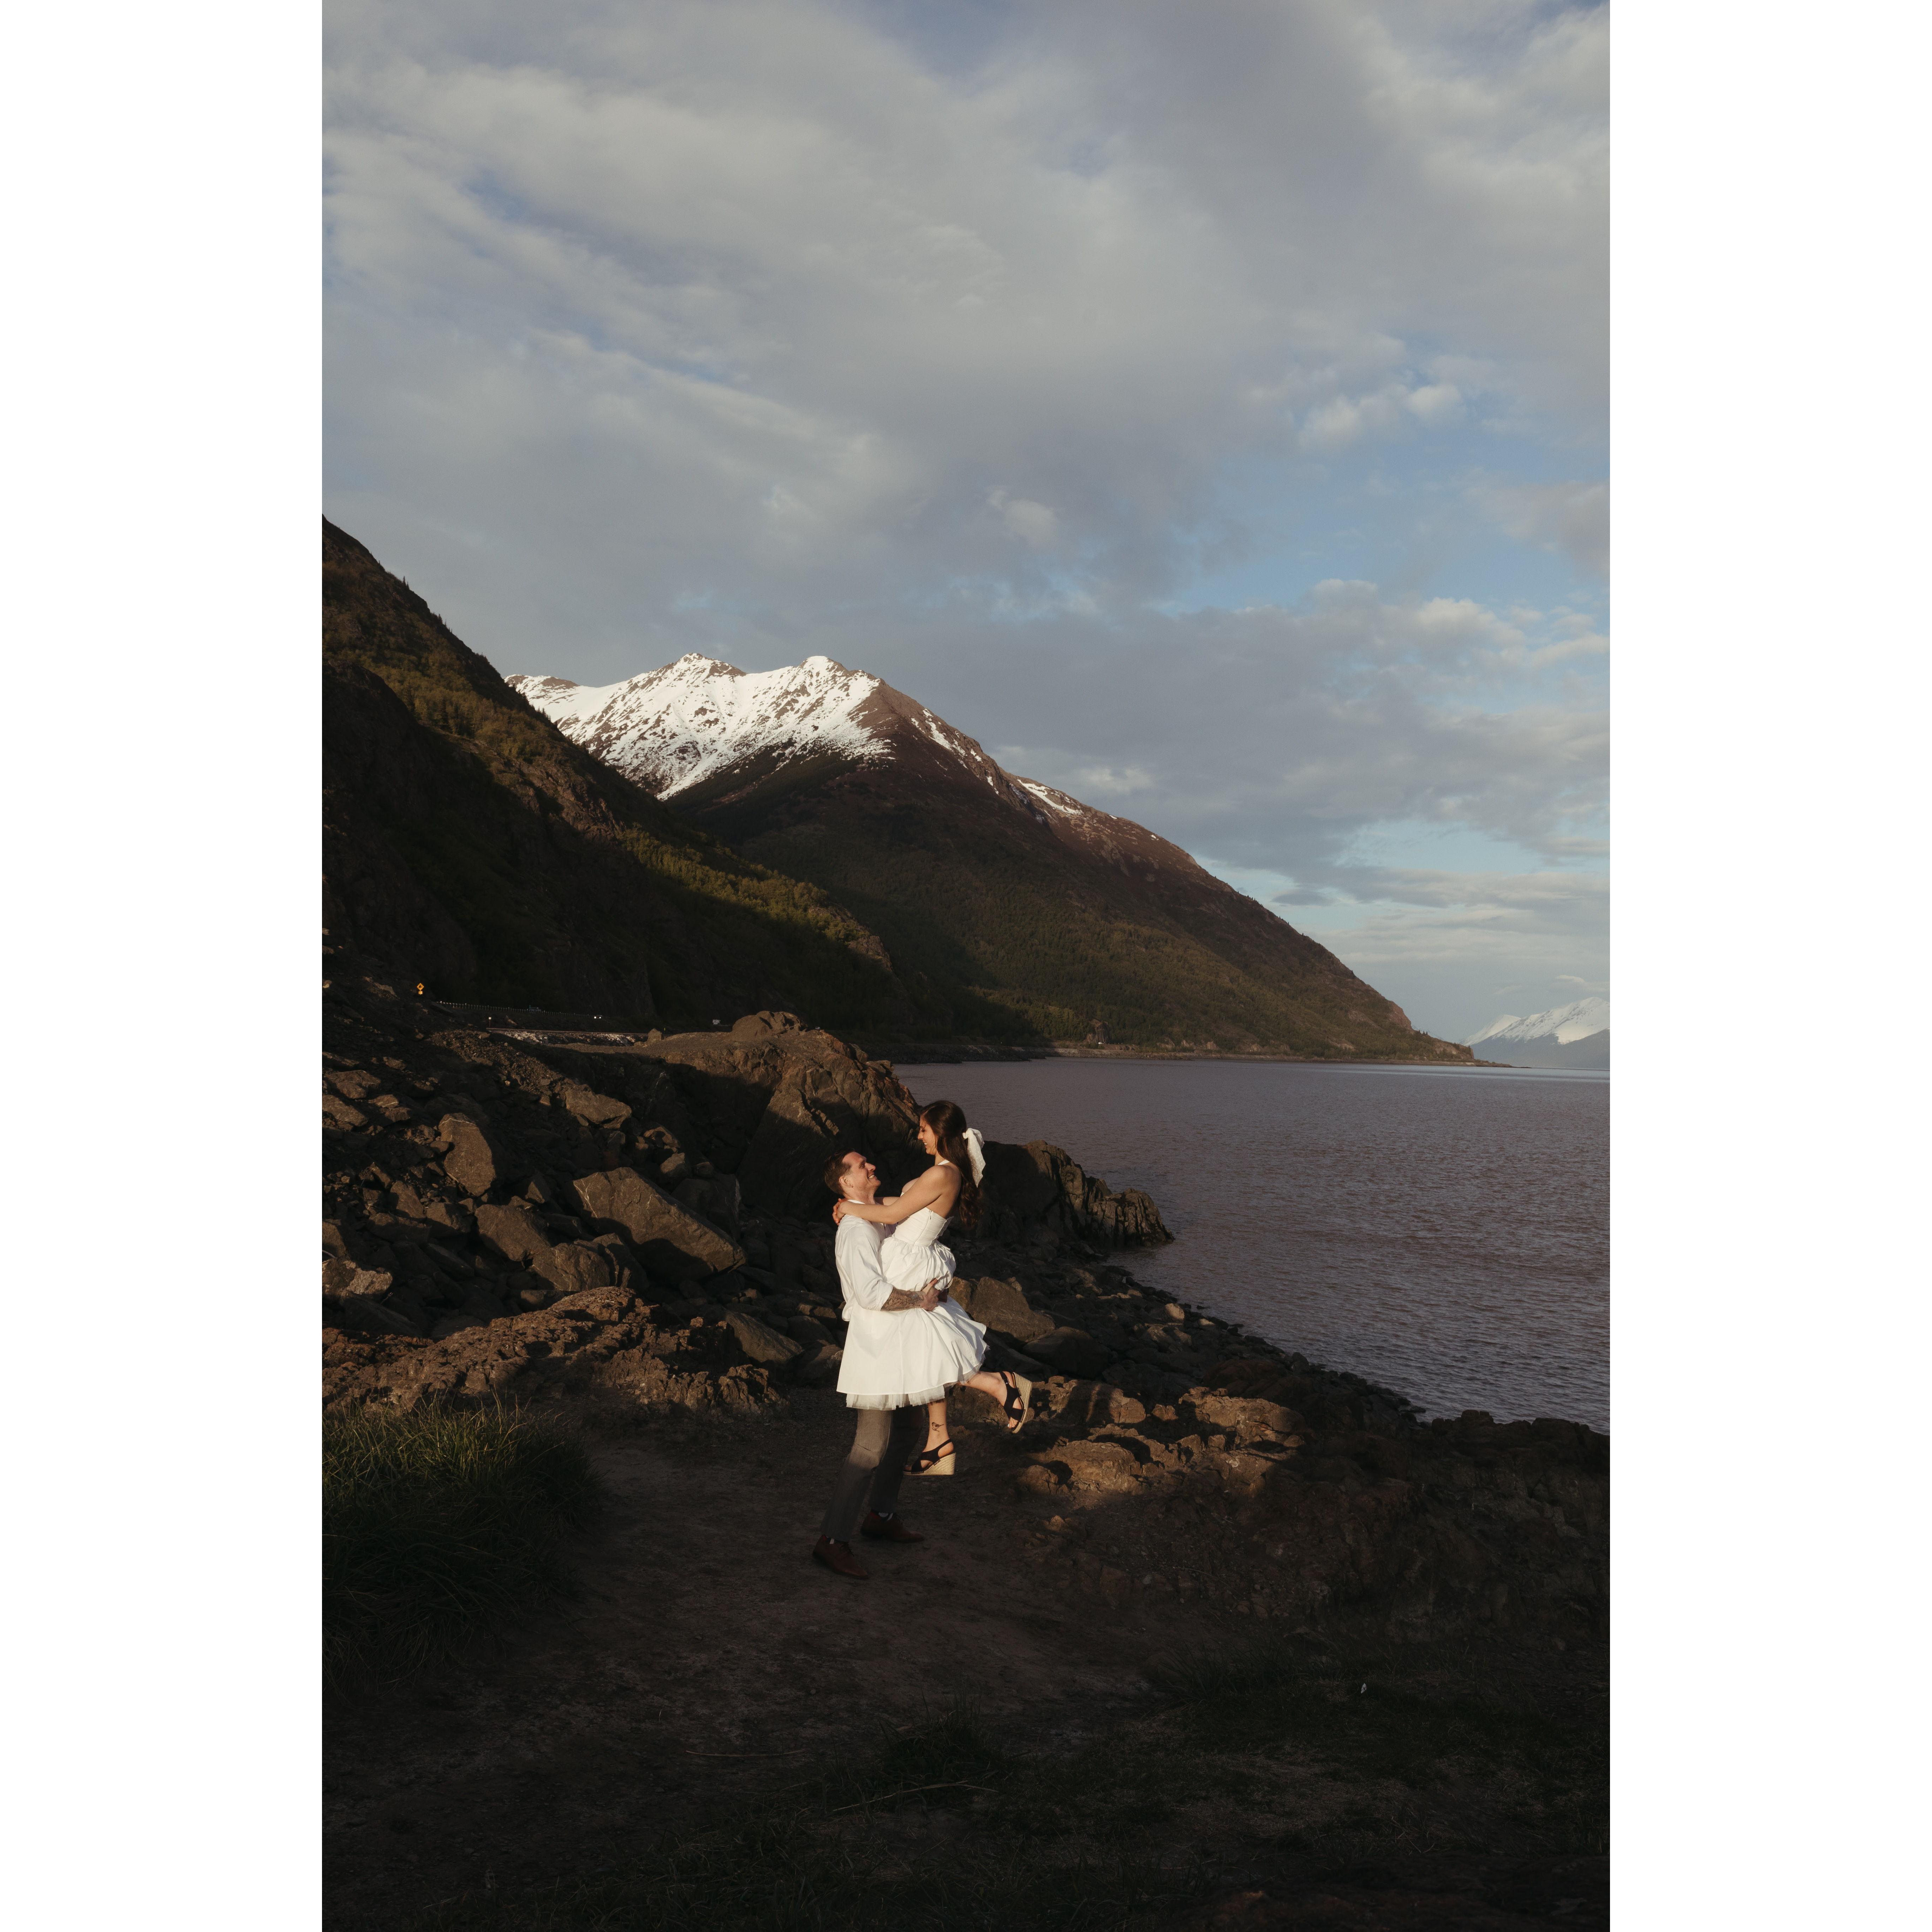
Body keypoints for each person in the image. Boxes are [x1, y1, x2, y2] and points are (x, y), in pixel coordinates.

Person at [831, 1099, 1032, 1476]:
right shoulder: (942, 1172)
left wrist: (850, 1209)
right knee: (925, 1346)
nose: (919, 1136)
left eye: (923, 1130)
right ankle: (939, 1438)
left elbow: (893, 1215)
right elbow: (903, 1204)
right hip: (911, 1255)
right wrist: (852, 1203)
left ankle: (997, 1385)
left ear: (940, 1133)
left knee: (928, 1344)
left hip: (909, 1260)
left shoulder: (943, 1174)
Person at [811, 1149, 947, 1580]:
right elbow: (870, 1293)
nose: (871, 1167)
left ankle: (881, 1516)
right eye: (861, 1166)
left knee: (908, 1428)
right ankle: (832, 1541)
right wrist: (920, 1299)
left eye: (869, 1162)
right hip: (874, 1349)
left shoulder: (879, 1219)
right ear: (846, 1183)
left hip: (897, 1343)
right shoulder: (855, 1231)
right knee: (870, 1448)